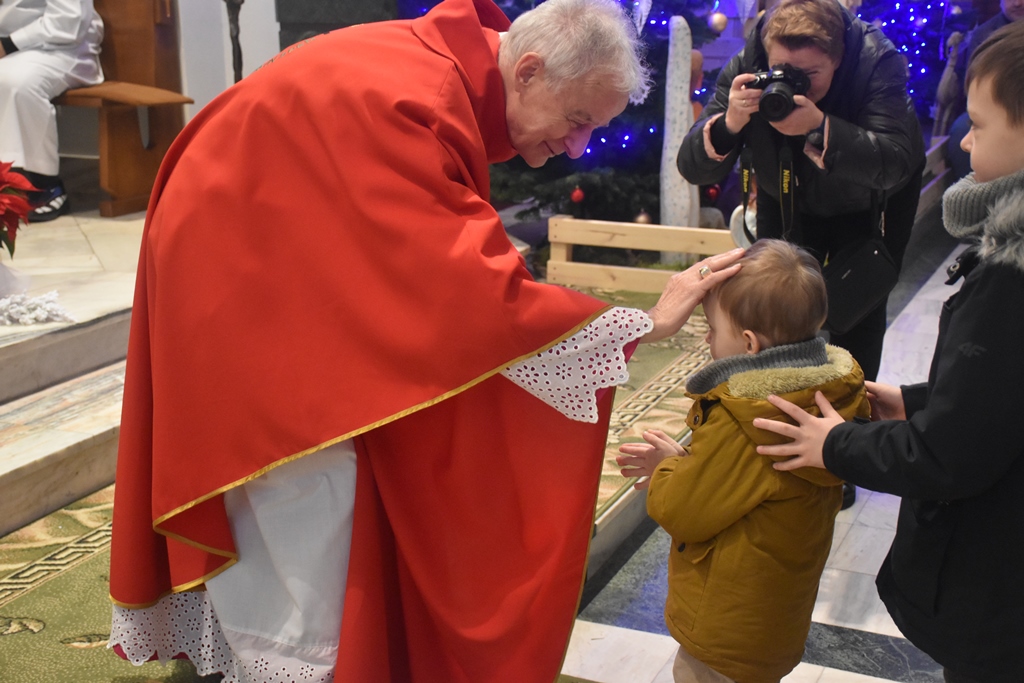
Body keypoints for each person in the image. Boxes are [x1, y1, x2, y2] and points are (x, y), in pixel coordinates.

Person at [106, 1, 744, 681]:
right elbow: (472, 300)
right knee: (314, 473)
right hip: (239, 277)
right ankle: (291, 657)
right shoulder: (423, 100)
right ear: (528, 71)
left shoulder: (439, 71)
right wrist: (645, 323)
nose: (579, 147)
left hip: (253, 248)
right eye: (578, 120)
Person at [752, 22, 1024, 682]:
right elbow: (1003, 395)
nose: (963, 141)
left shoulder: (1010, 279)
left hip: (999, 591)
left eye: (978, 126)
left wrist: (835, 445)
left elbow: (949, 455)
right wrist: (922, 401)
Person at [616, 239, 868, 683]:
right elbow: (746, 487)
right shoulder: (829, 393)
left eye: (712, 328)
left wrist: (666, 470)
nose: (707, 338)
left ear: (749, 343)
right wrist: (692, 462)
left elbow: (686, 511)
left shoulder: (746, 418)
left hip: (725, 627)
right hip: (774, 615)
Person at [677, 0, 925, 386]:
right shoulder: (748, 64)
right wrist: (729, 123)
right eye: (782, 71)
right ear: (767, 54)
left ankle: (849, 411)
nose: (795, 83)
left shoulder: (876, 60)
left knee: (857, 310)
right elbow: (691, 167)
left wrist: (821, 128)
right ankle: (772, 399)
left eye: (809, 74)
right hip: (785, 192)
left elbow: (894, 161)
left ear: (838, 57)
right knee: (773, 307)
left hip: (868, 198)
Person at [0, 0, 104, 222]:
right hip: (9, 47)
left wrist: (8, 44)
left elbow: (69, 19)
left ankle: (43, 187)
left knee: (14, 82)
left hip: (62, 48)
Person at [947, 0, 1023, 180]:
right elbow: (973, 86)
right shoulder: (984, 33)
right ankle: (976, 188)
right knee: (961, 130)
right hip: (993, 106)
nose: (1018, 3)